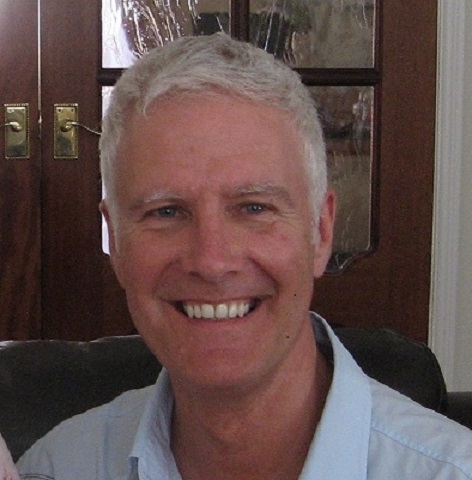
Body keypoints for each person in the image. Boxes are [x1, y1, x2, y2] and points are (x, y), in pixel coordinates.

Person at [17, 33, 472, 480]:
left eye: (254, 208)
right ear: (115, 241)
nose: (212, 262)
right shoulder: (55, 469)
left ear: (321, 231)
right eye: (166, 212)